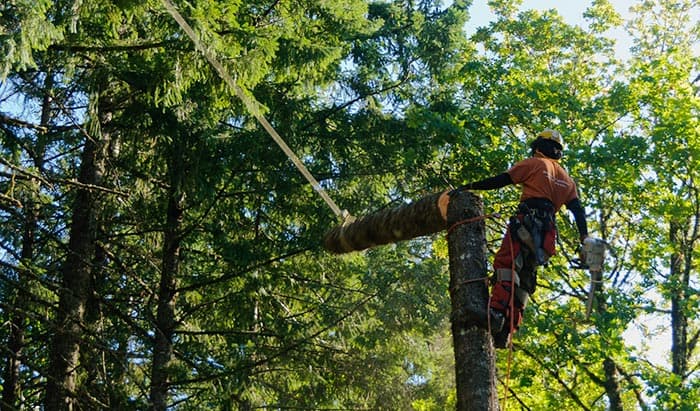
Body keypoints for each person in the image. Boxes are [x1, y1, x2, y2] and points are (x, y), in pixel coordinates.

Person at [451, 129, 589, 348]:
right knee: (525, 276)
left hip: (527, 222)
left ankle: (496, 314)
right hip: (546, 234)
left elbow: (502, 180)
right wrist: (584, 239)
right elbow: (578, 210)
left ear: (537, 147)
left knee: (507, 264)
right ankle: (507, 328)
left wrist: (468, 187)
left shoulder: (534, 163)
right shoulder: (567, 180)